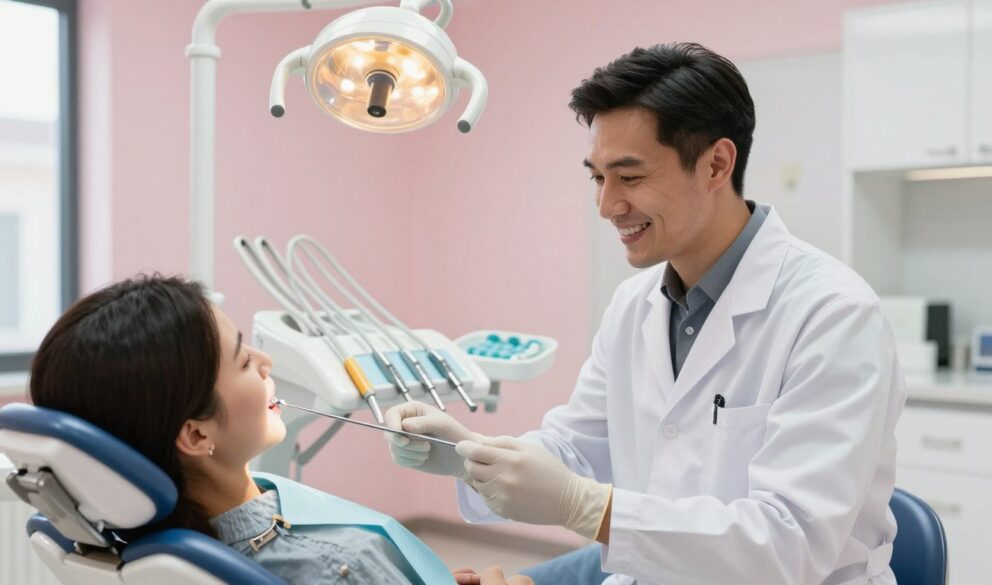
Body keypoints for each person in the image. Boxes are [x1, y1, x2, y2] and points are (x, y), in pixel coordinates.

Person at [385, 42, 906, 585]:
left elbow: (787, 546)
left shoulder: (834, 315)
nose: (607, 205)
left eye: (629, 178)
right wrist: (467, 456)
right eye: (597, 177)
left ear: (716, 164)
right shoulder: (634, 306)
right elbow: (575, 448)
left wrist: (589, 508)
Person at [27, 274, 532, 585]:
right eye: (244, 361)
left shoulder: (144, 554)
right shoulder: (338, 565)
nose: (265, 361)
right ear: (197, 436)